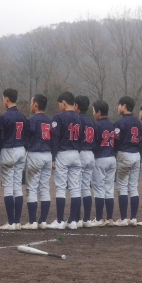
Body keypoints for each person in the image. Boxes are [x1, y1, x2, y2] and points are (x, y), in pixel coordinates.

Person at [48, 92, 82, 230]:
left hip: (62, 153)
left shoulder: (58, 117)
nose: (59, 106)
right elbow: (81, 138)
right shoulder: (79, 118)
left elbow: (55, 138)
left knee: (61, 188)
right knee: (75, 188)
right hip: (76, 153)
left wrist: (53, 157)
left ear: (63, 102)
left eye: (59, 104)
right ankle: (72, 221)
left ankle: (60, 221)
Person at [21, 94, 53, 230]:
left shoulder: (31, 120)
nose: (30, 105)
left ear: (35, 104)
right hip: (48, 155)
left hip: (35, 154)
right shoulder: (50, 121)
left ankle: (33, 221)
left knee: (32, 188)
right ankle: (43, 221)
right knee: (44, 188)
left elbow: (25, 139)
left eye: (31, 102)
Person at [0, 88, 27, 230]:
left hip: (8, 150)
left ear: (7, 99)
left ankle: (10, 222)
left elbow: (0, 138)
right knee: (17, 187)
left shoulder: (4, 117)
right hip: (21, 150)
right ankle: (17, 222)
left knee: (8, 188)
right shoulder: (22, 116)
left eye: (3, 98)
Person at [113, 96, 142, 226]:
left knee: (122, 187)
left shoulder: (120, 122)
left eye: (119, 105)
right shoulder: (138, 122)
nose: (118, 107)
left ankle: (124, 219)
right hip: (136, 154)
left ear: (124, 106)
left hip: (124, 154)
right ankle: (133, 218)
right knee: (133, 187)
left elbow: (116, 141)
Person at [91, 100, 116, 227]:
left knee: (99, 189)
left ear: (99, 112)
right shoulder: (112, 125)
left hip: (100, 158)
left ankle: (99, 218)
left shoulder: (96, 125)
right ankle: (109, 219)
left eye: (94, 111)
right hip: (112, 157)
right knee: (109, 189)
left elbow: (94, 143)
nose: (93, 113)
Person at [75, 95, 95, 228]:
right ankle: (87, 219)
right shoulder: (91, 120)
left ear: (76, 105)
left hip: (81, 153)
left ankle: (77, 219)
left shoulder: (77, 119)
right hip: (90, 154)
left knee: (76, 188)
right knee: (86, 188)